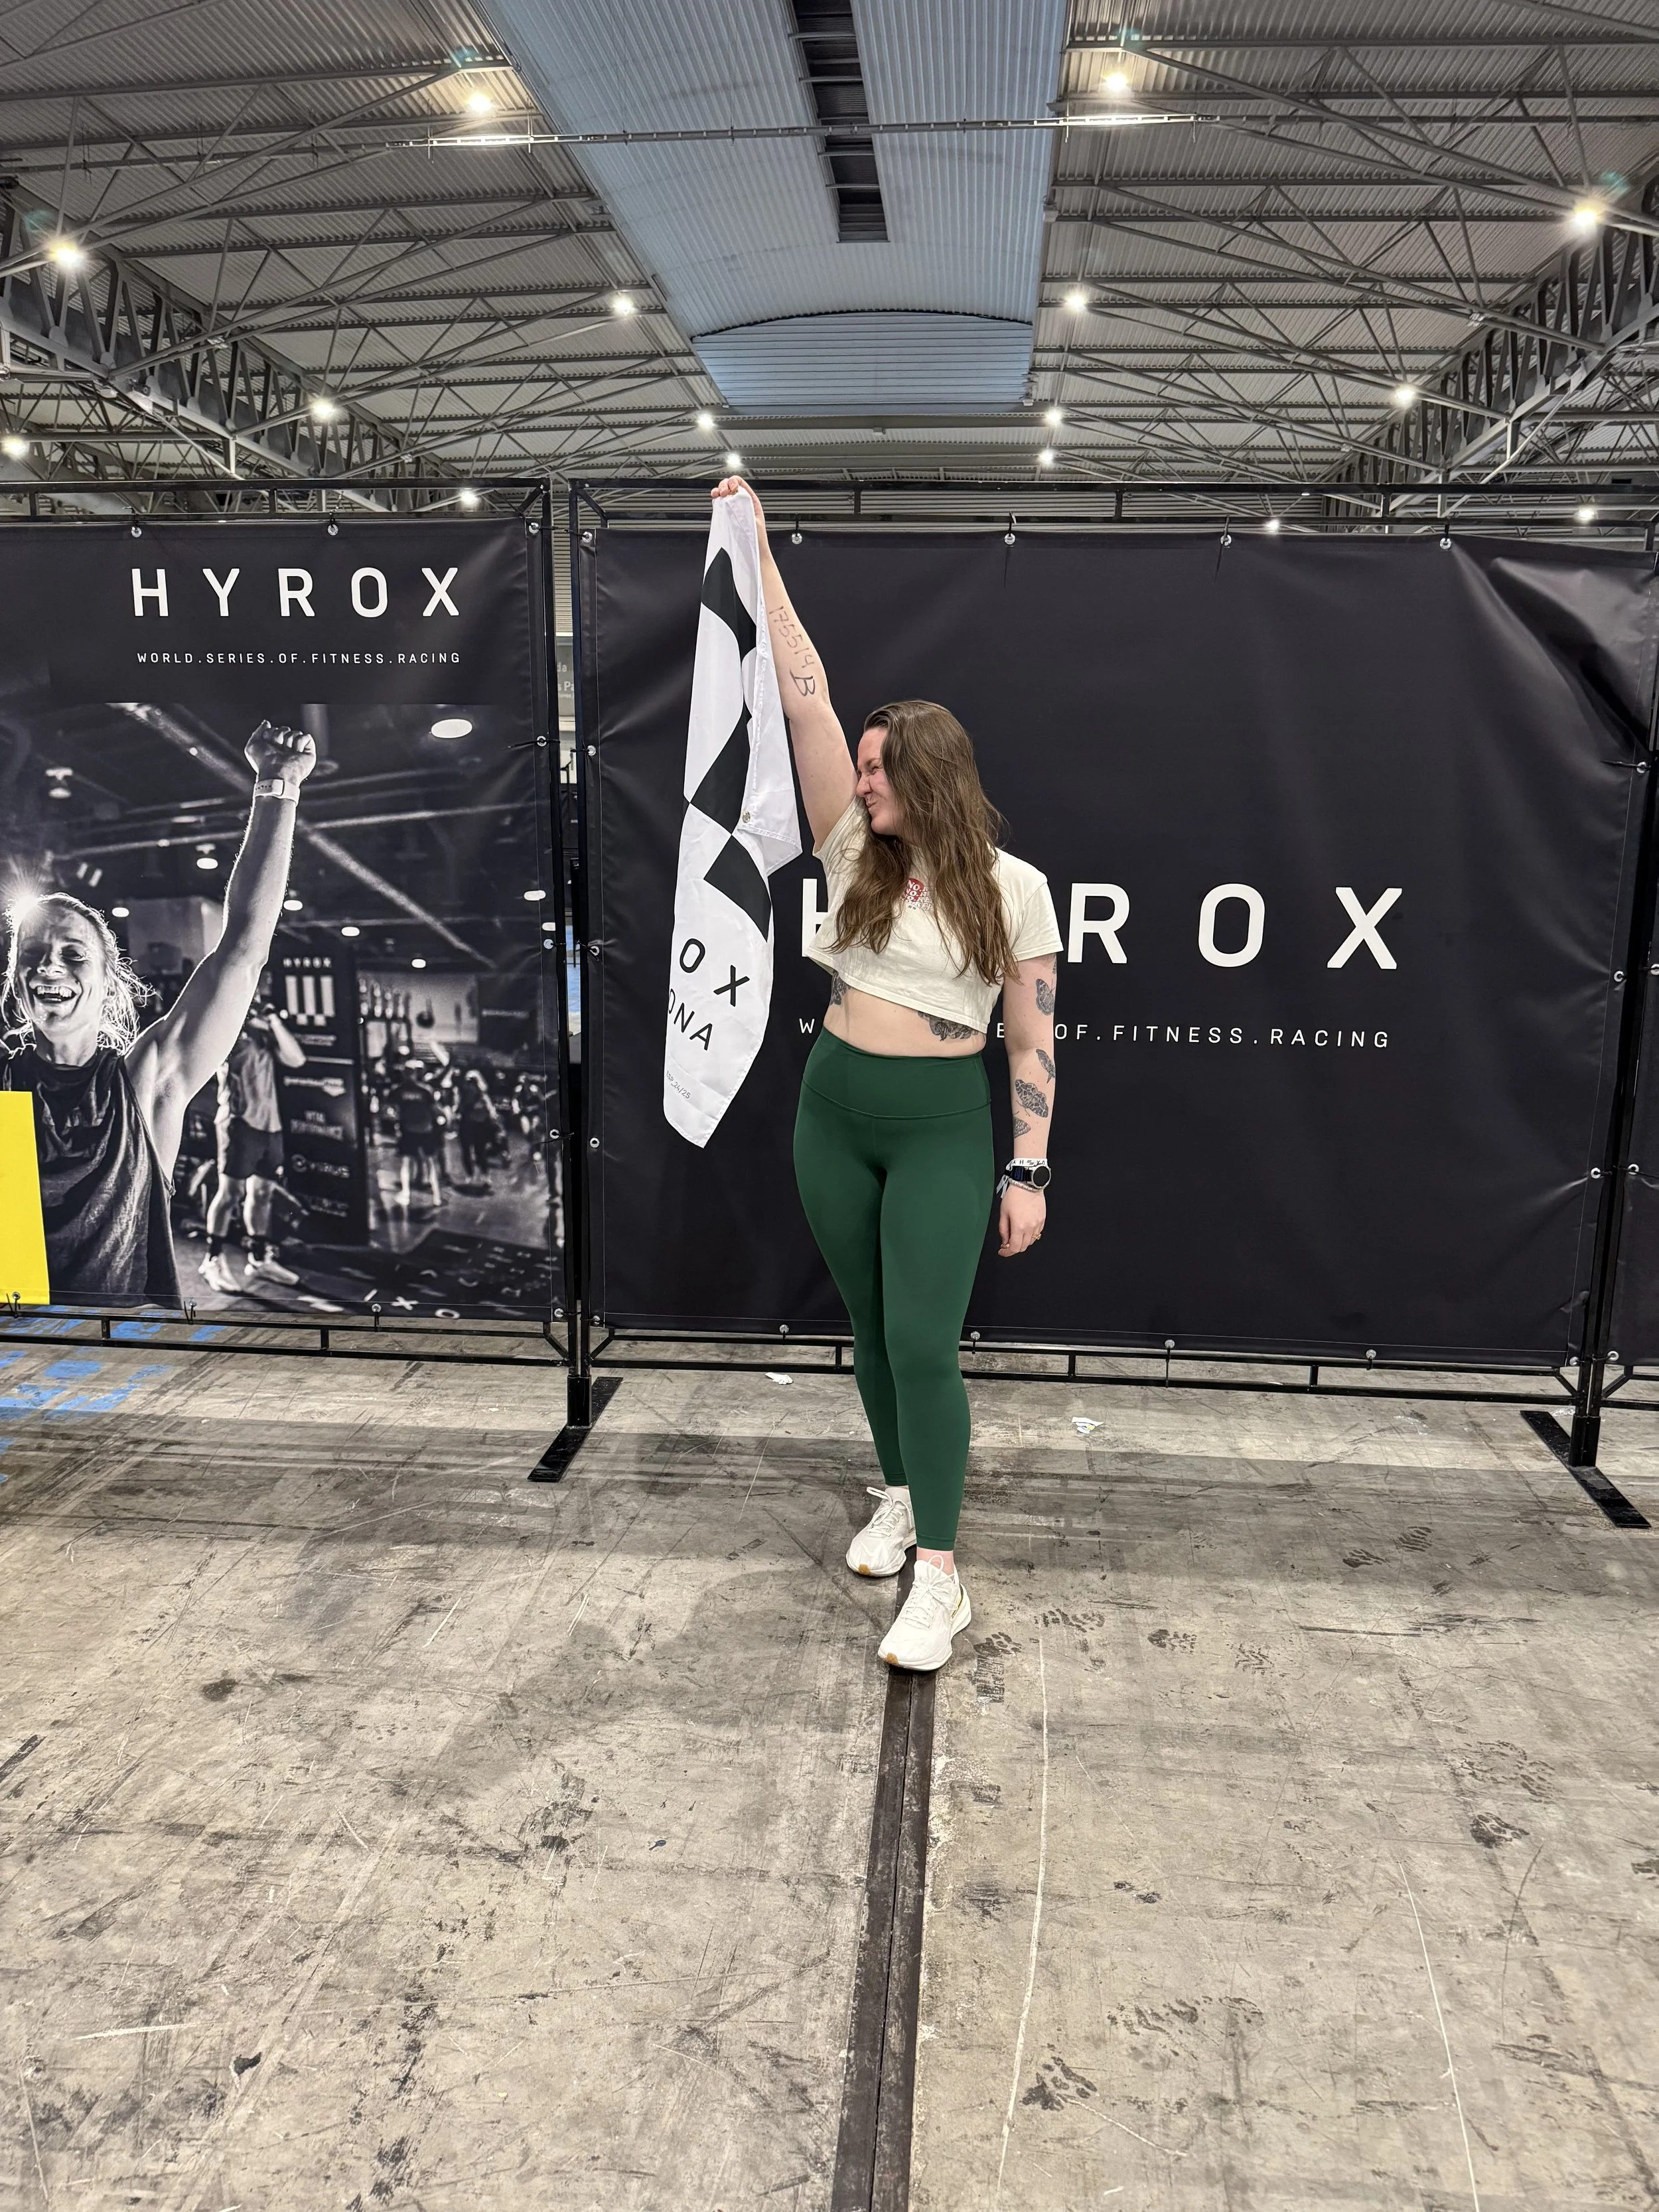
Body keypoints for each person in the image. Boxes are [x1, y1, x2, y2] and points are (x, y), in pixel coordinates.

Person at [713, 477, 1062, 1674]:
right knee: (867, 1327)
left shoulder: (1015, 889)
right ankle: (904, 1491)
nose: (859, 779)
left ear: (931, 773)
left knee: (923, 1338)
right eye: (857, 765)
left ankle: (943, 1578)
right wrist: (755, 546)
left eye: (878, 767)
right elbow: (801, 690)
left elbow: (1030, 1042)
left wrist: (1027, 1165)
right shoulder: (854, 848)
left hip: (938, 1129)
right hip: (833, 1111)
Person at [0, 722, 317, 1306]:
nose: (50, 967)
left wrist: (277, 787)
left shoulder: (145, 1080)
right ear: (15, 979)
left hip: (121, 1357)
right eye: (33, 955)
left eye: (73, 954)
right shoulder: (3, 1081)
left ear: (108, 978)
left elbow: (243, 950)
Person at [200, 991, 307, 1295]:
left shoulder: (265, 1032)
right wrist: (248, 1020)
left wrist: (272, 1020)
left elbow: (297, 1059)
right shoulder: (226, 1030)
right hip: (240, 1124)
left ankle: (259, 1259)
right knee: (230, 1193)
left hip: (270, 1127)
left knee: (262, 1193)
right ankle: (212, 1259)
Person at [392, 1055, 444, 1211]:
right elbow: (435, 1110)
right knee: (428, 1162)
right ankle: (436, 1197)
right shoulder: (425, 1091)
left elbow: (392, 1110)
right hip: (424, 1130)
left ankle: (408, 1194)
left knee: (409, 1163)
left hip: (410, 1130)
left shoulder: (399, 1090)